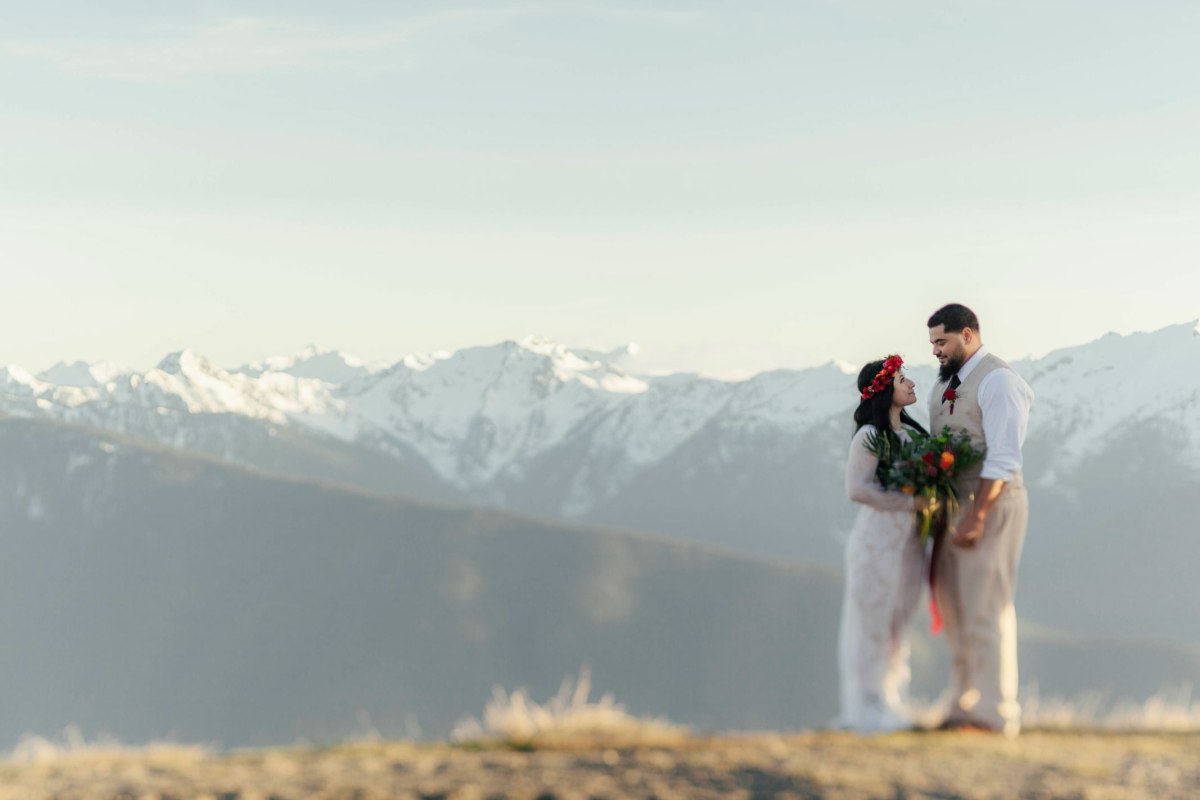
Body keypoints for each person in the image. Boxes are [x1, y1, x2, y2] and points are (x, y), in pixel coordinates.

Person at [927, 303, 1034, 736]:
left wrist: (977, 515)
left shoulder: (999, 380)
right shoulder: (946, 382)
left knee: (988, 605)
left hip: (991, 503)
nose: (936, 351)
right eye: (933, 343)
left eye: (942, 341)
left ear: (968, 334)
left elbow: (1006, 456)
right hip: (951, 504)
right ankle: (963, 703)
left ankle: (997, 712)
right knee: (954, 606)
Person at [836, 354, 931, 733]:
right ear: (883, 390)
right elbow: (856, 490)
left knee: (898, 622)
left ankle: (892, 697)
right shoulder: (869, 436)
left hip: (909, 543)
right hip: (876, 542)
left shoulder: (913, 435)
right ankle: (868, 703)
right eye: (902, 379)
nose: (910, 384)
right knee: (872, 621)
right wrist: (909, 501)